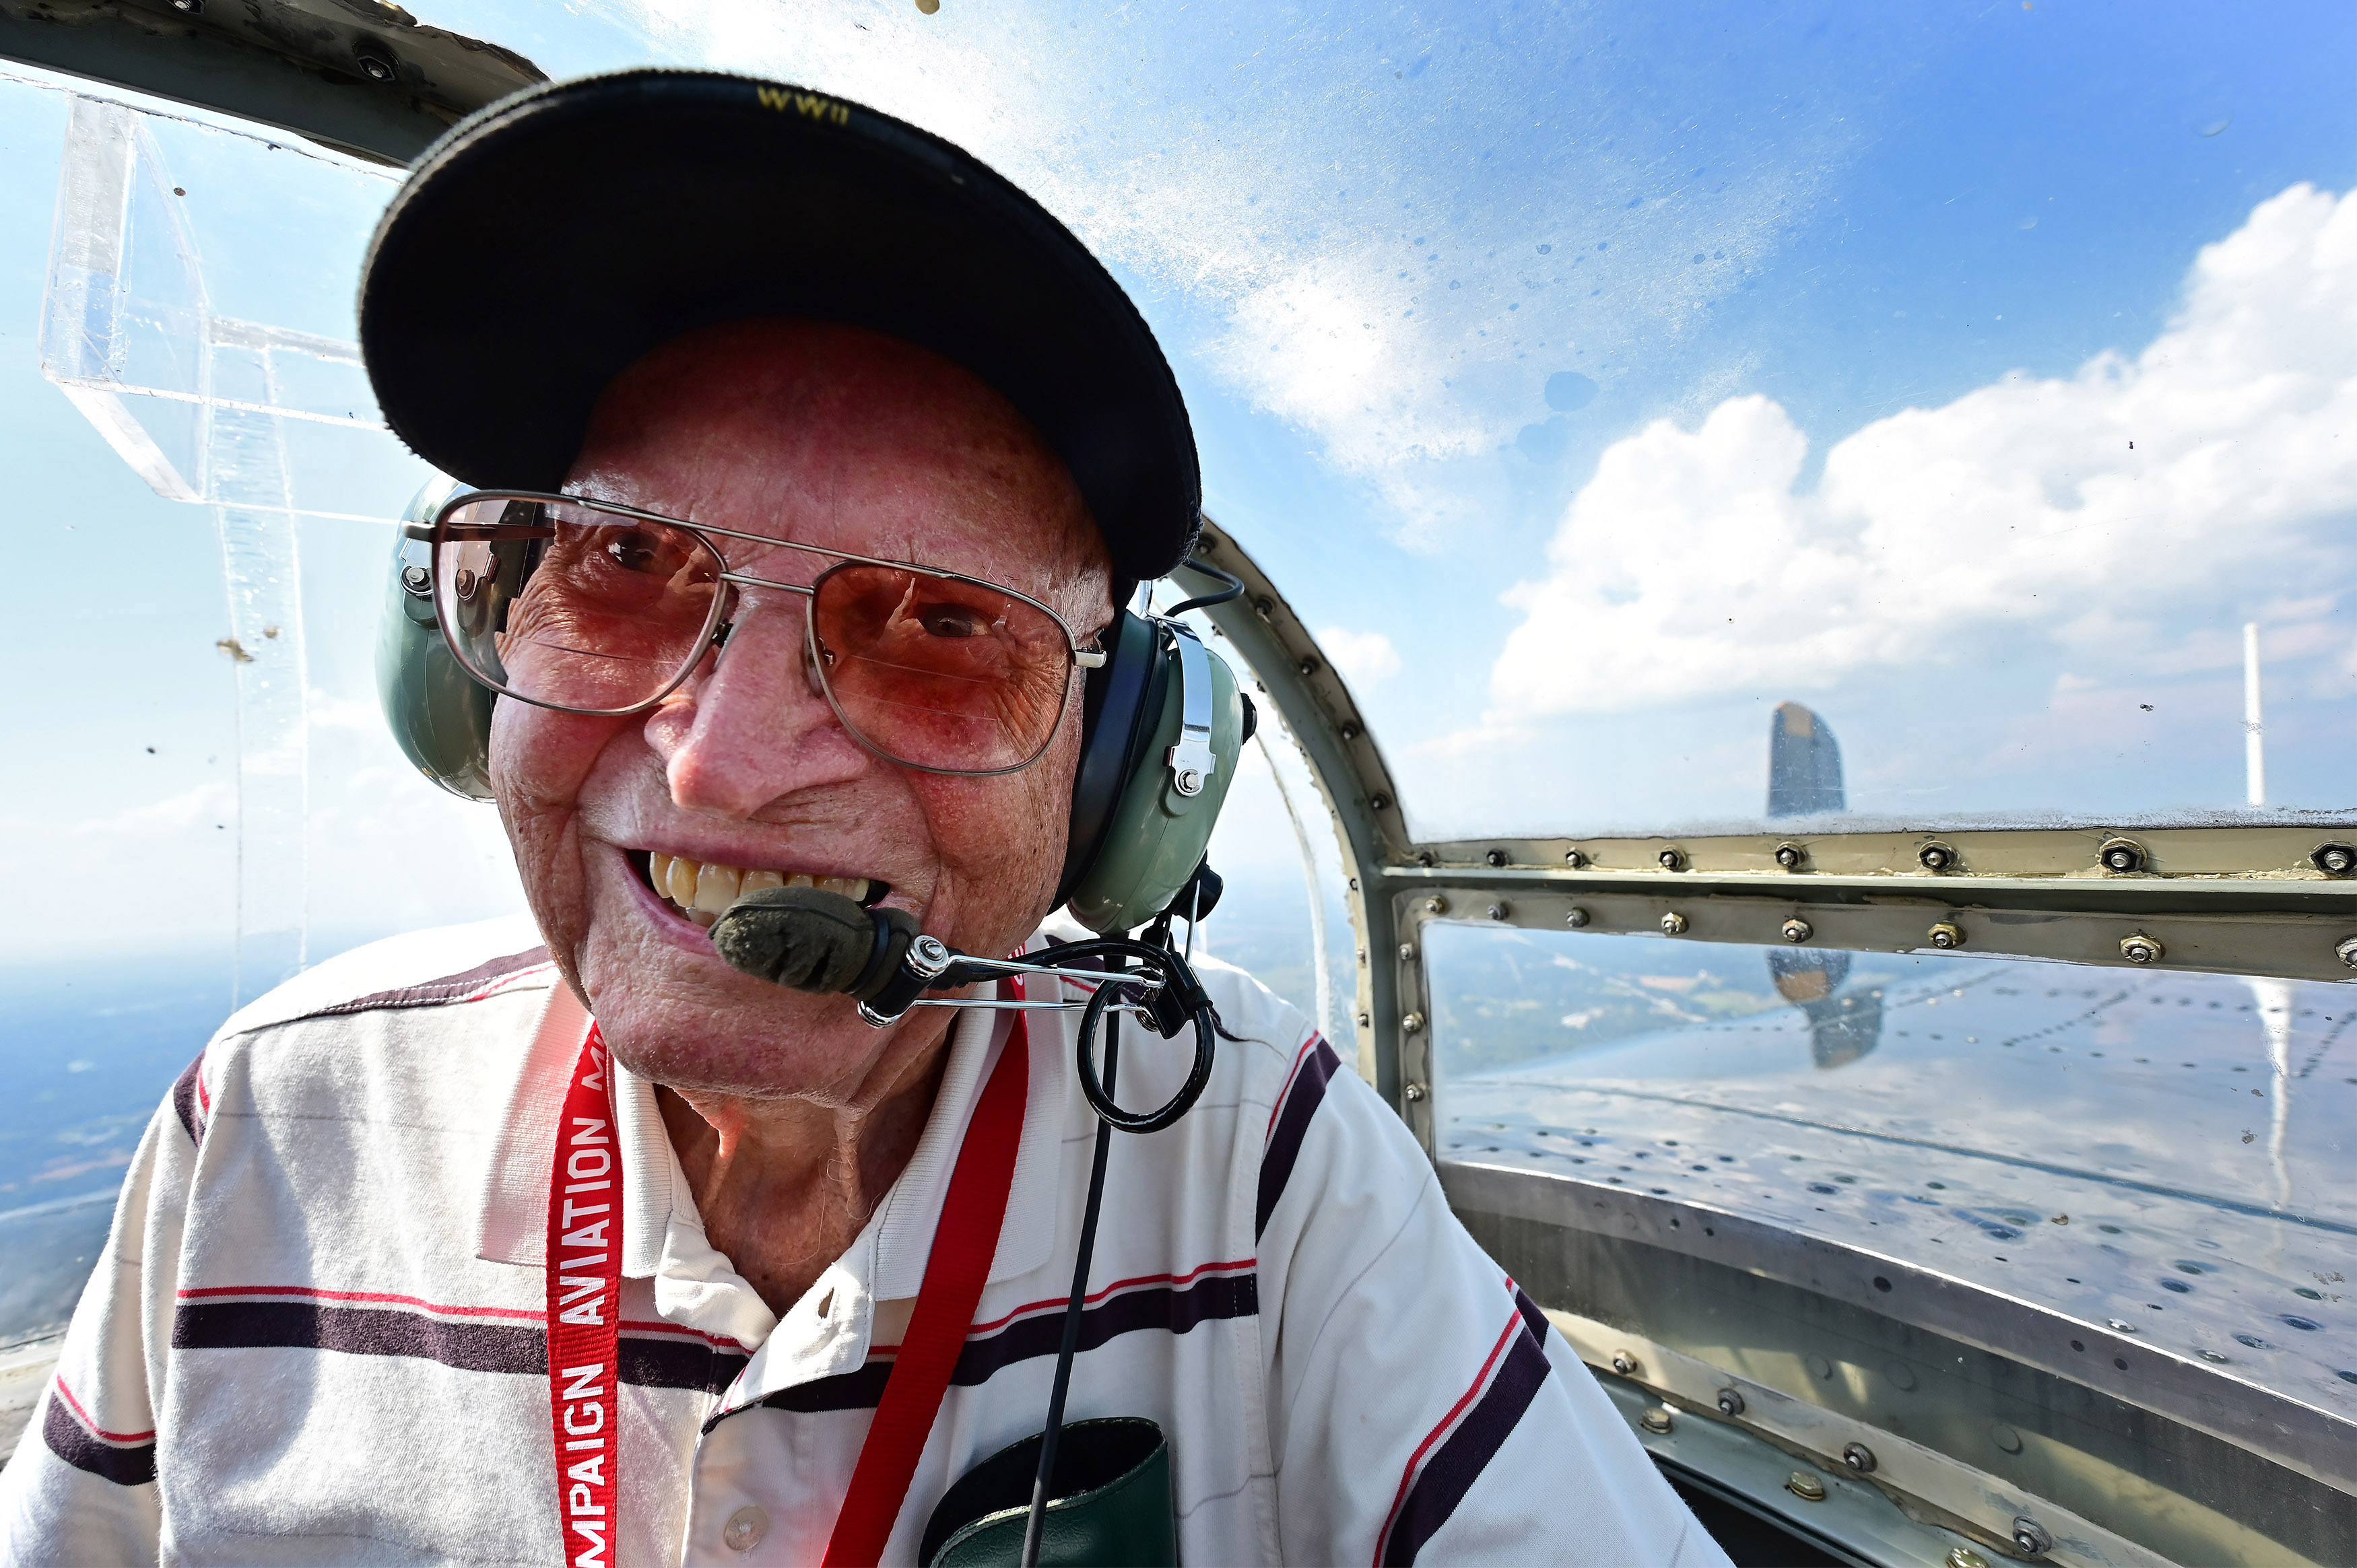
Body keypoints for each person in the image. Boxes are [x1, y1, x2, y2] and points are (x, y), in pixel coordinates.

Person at [0, 70, 1726, 1567]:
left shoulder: (1254, 1154)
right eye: (621, 563)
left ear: (1120, 772)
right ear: (473, 653)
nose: (720, 767)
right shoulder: (273, 1120)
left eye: (940, 623)